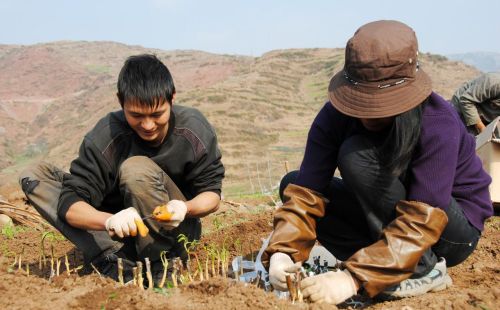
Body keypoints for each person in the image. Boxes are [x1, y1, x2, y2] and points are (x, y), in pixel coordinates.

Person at [262, 20, 493, 305]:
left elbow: (424, 218)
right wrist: (283, 252)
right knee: (293, 182)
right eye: (361, 102)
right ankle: (382, 261)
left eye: (383, 104)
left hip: (448, 232)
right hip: (392, 223)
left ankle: (422, 271)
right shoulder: (333, 117)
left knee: (357, 154)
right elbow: (306, 192)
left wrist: (353, 278)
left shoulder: (437, 121)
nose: (369, 114)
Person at [19, 54, 225, 284]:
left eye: (157, 114)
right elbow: (70, 203)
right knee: (33, 174)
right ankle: (115, 260)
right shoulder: (105, 137)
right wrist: (108, 221)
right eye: (136, 115)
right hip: (120, 234)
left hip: (176, 233)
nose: (148, 125)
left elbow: (212, 194)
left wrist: (184, 208)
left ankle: (161, 266)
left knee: (135, 168)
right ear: (120, 101)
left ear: (172, 98)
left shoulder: (193, 129)